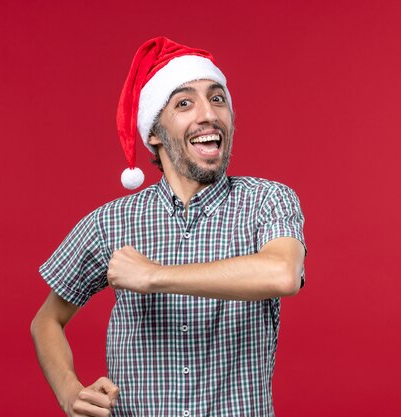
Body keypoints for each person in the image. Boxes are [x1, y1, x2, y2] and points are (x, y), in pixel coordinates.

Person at [30, 36, 306, 417]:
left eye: (217, 98)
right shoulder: (111, 222)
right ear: (154, 133)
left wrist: (153, 276)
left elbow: (282, 273)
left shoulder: (267, 200)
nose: (208, 114)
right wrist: (68, 391)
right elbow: (47, 320)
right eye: (184, 103)